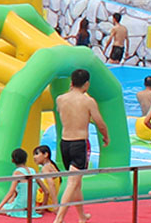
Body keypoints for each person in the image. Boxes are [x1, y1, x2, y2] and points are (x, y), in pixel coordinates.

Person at [52, 68, 110, 223]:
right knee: (73, 182)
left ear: (71, 82)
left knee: (76, 182)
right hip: (79, 143)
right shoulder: (88, 101)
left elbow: (62, 112)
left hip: (65, 143)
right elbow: (100, 123)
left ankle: (81, 216)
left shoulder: (60, 99)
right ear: (87, 84)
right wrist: (105, 136)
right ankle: (59, 218)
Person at [0, 148, 34, 217]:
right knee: (10, 201)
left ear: (12, 160)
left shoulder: (17, 172)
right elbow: (45, 190)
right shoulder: (32, 171)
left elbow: (10, 192)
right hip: (31, 207)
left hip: (20, 206)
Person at [32, 145, 61, 216]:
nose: (34, 157)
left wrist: (55, 205)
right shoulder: (52, 166)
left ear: (45, 154)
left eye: (37, 154)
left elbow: (51, 185)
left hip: (45, 202)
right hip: (48, 203)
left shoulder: (46, 168)